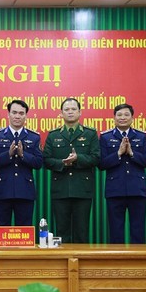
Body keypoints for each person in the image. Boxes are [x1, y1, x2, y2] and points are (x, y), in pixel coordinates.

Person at [43, 97, 100, 243]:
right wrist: (63, 163)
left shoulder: (90, 134)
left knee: (82, 231)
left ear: (80, 112)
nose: (70, 112)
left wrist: (78, 158)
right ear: (61, 113)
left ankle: (81, 264)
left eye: (73, 109)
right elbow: (46, 160)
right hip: (60, 189)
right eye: (66, 110)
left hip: (83, 189)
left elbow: (96, 158)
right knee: (62, 231)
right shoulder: (54, 134)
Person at [99, 103, 146, 244]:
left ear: (132, 118)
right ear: (114, 117)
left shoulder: (141, 136)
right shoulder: (105, 137)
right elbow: (101, 164)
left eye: (126, 115)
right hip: (115, 190)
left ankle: (138, 262)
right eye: (119, 115)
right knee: (115, 230)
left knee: (138, 230)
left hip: (137, 190)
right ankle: (117, 263)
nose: (122, 117)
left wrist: (131, 153)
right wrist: (118, 153)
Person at [0, 99, 43, 227]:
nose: (17, 116)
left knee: (24, 231)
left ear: (26, 116)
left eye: (21, 113)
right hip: (3, 191)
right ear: (8, 114)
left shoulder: (34, 137)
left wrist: (23, 155)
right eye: (14, 112)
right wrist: (8, 155)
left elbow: (39, 163)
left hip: (25, 191)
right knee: (1, 229)